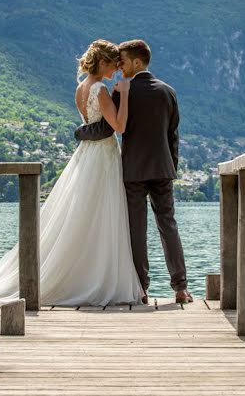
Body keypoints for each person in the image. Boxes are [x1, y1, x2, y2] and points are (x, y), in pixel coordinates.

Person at [0, 39, 145, 306]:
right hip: (103, 156)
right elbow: (119, 126)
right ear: (103, 62)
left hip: (88, 155)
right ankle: (97, 279)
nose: (116, 70)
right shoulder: (101, 89)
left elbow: (90, 123)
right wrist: (123, 93)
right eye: (114, 64)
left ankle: (86, 275)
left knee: (84, 215)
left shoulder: (81, 88)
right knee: (102, 215)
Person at [75, 39, 192, 304]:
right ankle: (181, 288)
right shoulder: (168, 92)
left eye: (123, 61)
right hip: (163, 169)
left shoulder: (120, 90)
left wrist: (79, 132)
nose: (119, 66)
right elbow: (173, 135)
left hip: (133, 171)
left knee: (136, 230)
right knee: (168, 225)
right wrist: (171, 166)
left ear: (136, 62)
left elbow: (107, 129)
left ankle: (141, 290)